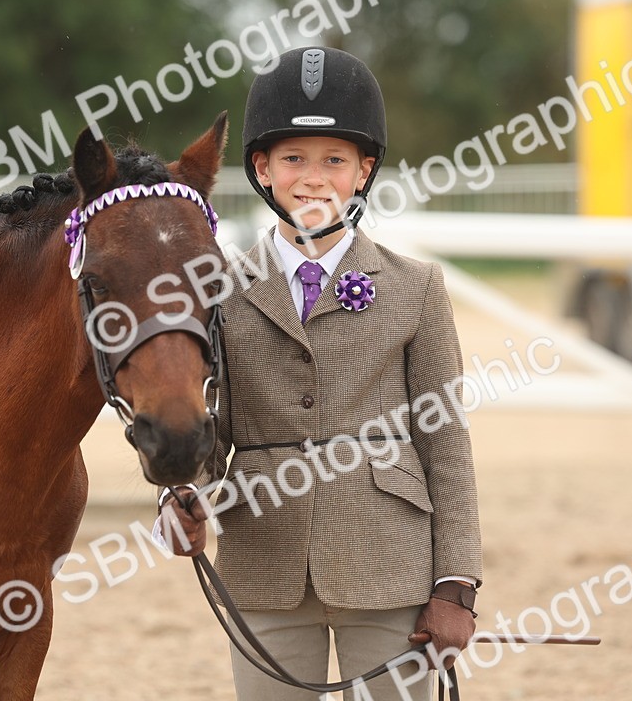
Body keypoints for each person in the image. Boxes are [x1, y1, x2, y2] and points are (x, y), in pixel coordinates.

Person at [156, 46, 482, 701]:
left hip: (388, 562)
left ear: (364, 171)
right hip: (262, 559)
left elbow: (445, 443)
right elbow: (206, 424)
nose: (314, 178)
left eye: (334, 160)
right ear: (262, 168)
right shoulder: (218, 289)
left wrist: (457, 586)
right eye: (294, 159)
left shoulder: (415, 287)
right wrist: (179, 495)